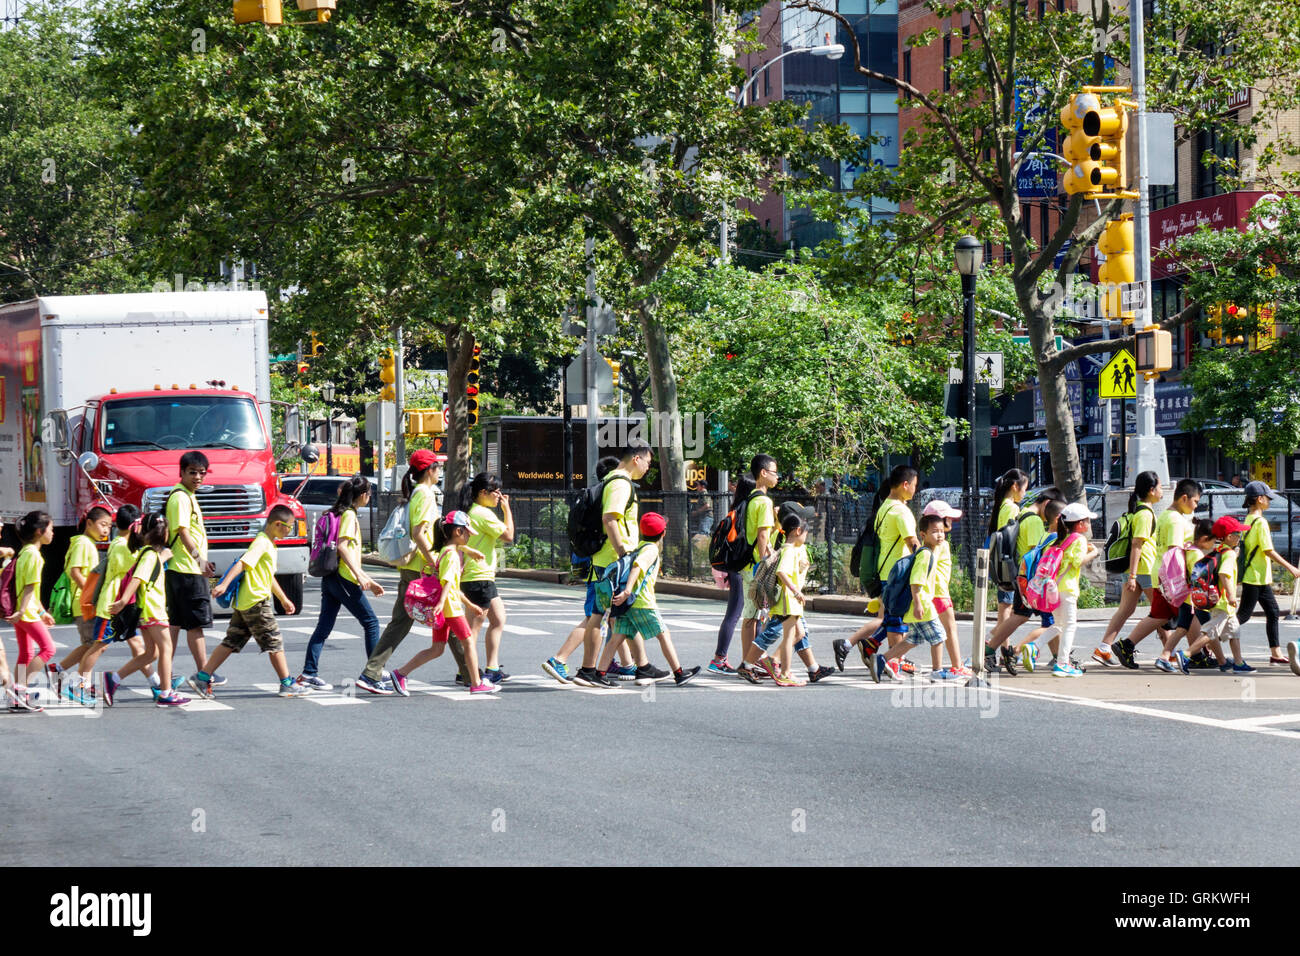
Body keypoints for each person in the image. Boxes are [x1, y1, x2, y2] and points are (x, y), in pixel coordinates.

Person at [356, 449, 467, 694]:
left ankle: (470, 673)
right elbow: (419, 534)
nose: (441, 471)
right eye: (439, 467)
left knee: (429, 620)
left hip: (412, 568)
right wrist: (435, 563)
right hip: (422, 569)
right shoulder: (426, 495)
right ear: (430, 470)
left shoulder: (418, 493)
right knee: (444, 617)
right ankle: (371, 673)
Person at [543, 443, 653, 689]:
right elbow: (610, 518)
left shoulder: (614, 482)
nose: (648, 467)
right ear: (636, 459)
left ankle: (631, 666)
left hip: (606, 563)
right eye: (647, 462)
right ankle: (574, 664)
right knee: (597, 616)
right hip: (610, 564)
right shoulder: (620, 483)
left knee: (609, 616)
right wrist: (625, 553)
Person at [187, 505, 309, 698]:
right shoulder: (262, 543)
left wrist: (283, 599)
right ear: (278, 524)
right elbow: (242, 563)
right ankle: (287, 683)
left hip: (247, 602)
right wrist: (224, 584)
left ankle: (202, 677)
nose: (289, 530)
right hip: (256, 602)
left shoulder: (268, 543)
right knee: (274, 641)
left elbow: (268, 577)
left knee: (231, 641)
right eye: (289, 526)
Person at [390, 511, 500, 695]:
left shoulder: (446, 551)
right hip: (451, 609)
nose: (468, 536)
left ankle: (400, 674)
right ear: (457, 532)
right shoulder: (452, 555)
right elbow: (448, 582)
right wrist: (442, 603)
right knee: (469, 643)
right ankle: (476, 683)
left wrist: (469, 605)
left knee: (437, 648)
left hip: (446, 607)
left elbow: (452, 587)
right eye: (467, 533)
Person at [297, 476, 386, 690]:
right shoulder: (349, 515)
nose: (369, 497)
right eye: (369, 494)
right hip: (344, 578)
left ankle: (309, 673)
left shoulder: (343, 512)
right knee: (371, 623)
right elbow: (343, 547)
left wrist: (365, 577)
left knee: (324, 626)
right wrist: (361, 577)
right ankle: (372, 674)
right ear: (363, 495)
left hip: (333, 577)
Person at [832, 464, 921, 672]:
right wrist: (924, 563)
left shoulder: (884, 508)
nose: (915, 490)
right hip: (899, 573)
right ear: (905, 485)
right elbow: (912, 542)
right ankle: (893, 662)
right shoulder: (901, 511)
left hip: (884, 572)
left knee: (891, 618)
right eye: (914, 485)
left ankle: (867, 646)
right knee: (897, 621)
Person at [595, 512, 699, 687]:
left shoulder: (639, 546)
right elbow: (637, 567)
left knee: (617, 638)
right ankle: (679, 673)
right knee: (663, 634)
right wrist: (628, 590)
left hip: (628, 606)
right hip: (641, 602)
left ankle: (600, 673)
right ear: (663, 533)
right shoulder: (651, 549)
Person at [737, 511, 836, 685]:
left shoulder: (787, 549)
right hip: (788, 600)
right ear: (797, 531)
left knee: (799, 633)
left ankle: (750, 665)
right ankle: (784, 673)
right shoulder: (790, 550)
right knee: (790, 636)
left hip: (789, 601)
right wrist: (796, 591)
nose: (806, 536)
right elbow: (781, 572)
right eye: (806, 533)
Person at [1112, 478, 1201, 668]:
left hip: (1160, 574)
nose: (1195, 507)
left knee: (1158, 616)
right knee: (1190, 614)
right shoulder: (1175, 520)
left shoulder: (1165, 516)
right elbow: (1174, 551)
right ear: (1184, 498)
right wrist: (1186, 577)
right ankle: (1196, 655)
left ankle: (1126, 645)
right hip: (1174, 577)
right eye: (1195, 502)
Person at [103, 513, 189, 708]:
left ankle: (114, 679)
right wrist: (123, 601)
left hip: (146, 609)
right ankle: (166, 692)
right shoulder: (149, 554)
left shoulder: (147, 553)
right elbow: (138, 578)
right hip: (153, 609)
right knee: (166, 648)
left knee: (151, 653)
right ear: (163, 533)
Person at [79, 505, 163, 702]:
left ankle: (156, 683)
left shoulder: (127, 544)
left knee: (137, 645)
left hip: (124, 607)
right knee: (99, 646)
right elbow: (137, 565)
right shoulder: (120, 545)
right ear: (135, 525)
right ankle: (78, 685)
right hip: (111, 606)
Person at [984, 496, 1066, 673]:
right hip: (1036, 583)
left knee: (1046, 620)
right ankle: (993, 650)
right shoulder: (1045, 530)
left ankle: (1058, 657)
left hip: (1028, 580)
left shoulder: (1037, 526)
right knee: (1026, 618)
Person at [1092, 470, 1162, 667]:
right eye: (1159, 486)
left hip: (1135, 569)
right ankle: (1167, 655)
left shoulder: (1138, 510)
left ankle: (1104, 648)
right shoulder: (1145, 514)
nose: (1161, 490)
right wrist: (1132, 575)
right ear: (1151, 490)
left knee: (1126, 610)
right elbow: (1136, 545)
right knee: (1161, 612)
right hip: (1143, 569)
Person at [49, 505, 114, 698]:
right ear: (89, 523)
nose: (106, 530)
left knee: (90, 644)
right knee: (96, 644)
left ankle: (60, 670)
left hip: (84, 601)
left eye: (109, 526)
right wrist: (91, 594)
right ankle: (77, 682)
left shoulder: (86, 543)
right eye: (103, 524)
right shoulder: (83, 543)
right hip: (84, 602)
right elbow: (74, 571)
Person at [872, 513, 945, 682]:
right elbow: (916, 581)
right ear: (923, 535)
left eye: (942, 531)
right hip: (922, 605)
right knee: (939, 636)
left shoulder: (928, 552)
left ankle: (882, 659)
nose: (940, 535)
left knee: (912, 640)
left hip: (918, 604)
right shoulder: (925, 554)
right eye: (935, 531)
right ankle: (937, 670)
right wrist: (918, 603)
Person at [168, 451, 220, 688]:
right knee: (196, 624)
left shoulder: (187, 495)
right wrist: (199, 561)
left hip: (181, 569)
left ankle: (163, 675)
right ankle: (204, 673)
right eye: (192, 472)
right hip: (187, 569)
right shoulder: (180, 497)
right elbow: (183, 531)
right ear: (182, 473)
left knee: (175, 625)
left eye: (202, 473)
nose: (198, 477)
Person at [1235, 481, 1299, 666]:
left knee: (1273, 612)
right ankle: (1208, 639)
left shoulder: (1248, 519)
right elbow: (1267, 550)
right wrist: (1291, 567)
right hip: (1255, 576)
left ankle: (1276, 652)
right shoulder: (1260, 522)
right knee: (1243, 616)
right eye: (1267, 498)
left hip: (1258, 576)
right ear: (1260, 499)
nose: (1269, 501)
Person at [460, 472, 515, 684]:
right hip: (478, 577)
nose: (499, 496)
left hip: (479, 576)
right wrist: (506, 509)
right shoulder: (482, 513)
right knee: (473, 629)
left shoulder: (473, 511)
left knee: (498, 619)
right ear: (483, 492)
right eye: (496, 492)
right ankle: (467, 672)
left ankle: (491, 668)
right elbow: (509, 535)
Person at [731, 455, 781, 683]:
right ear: (763, 473)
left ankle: (748, 661)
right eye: (774, 472)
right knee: (752, 617)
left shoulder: (752, 498)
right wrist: (765, 565)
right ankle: (746, 664)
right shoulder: (763, 502)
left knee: (752, 617)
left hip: (748, 565)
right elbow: (762, 535)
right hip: (755, 567)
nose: (777, 476)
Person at [6, 511, 58, 711]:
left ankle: (17, 697)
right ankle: (20, 689)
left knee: (26, 652)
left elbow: (30, 590)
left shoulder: (25, 551)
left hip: (22, 611)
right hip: (25, 612)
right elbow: (30, 587)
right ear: (39, 531)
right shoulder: (35, 556)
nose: (53, 533)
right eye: (51, 529)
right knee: (48, 649)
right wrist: (23, 611)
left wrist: (42, 612)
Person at [710, 469, 760, 675]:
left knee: (738, 614)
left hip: (735, 567)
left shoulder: (736, 508)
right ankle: (721, 659)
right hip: (744, 568)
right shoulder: (749, 509)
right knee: (747, 615)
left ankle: (729, 659)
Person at [1153, 519, 1217, 674]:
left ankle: (1163, 657)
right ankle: (1212, 659)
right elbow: (1200, 579)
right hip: (1194, 599)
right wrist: (1212, 593)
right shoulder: (1196, 555)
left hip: (1185, 598)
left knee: (1181, 629)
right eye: (1213, 541)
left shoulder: (1188, 548)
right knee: (1211, 630)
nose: (1214, 545)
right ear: (1204, 539)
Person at [921, 500, 971, 680]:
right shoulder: (939, 545)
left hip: (934, 591)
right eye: (947, 517)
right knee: (950, 629)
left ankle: (891, 659)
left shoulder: (930, 542)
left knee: (927, 633)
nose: (951, 520)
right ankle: (957, 666)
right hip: (939, 591)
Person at [1048, 503, 1100, 676]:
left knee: (1058, 625)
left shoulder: (1062, 537)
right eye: (1087, 521)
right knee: (1070, 625)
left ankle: (1033, 647)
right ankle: (1063, 663)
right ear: (1079, 524)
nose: (1089, 525)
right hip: (1068, 588)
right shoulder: (1079, 539)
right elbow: (1078, 562)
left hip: (1054, 587)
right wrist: (1094, 553)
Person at [1201, 516, 1253, 673]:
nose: (1240, 537)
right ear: (1230, 537)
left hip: (1221, 601)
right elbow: (1224, 574)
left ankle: (1238, 662)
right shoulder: (1229, 554)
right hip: (1224, 601)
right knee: (1211, 631)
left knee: (1234, 631)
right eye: (1238, 534)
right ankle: (1187, 653)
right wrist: (1231, 596)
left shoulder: (1220, 550)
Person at [987, 468, 1031, 630]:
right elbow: (1010, 537)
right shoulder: (1012, 508)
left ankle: (998, 644)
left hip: (1001, 561)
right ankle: (996, 646)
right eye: (1024, 489)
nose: (1025, 493)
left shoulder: (1003, 506)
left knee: (1005, 607)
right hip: (1009, 563)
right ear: (1014, 486)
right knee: (1006, 608)